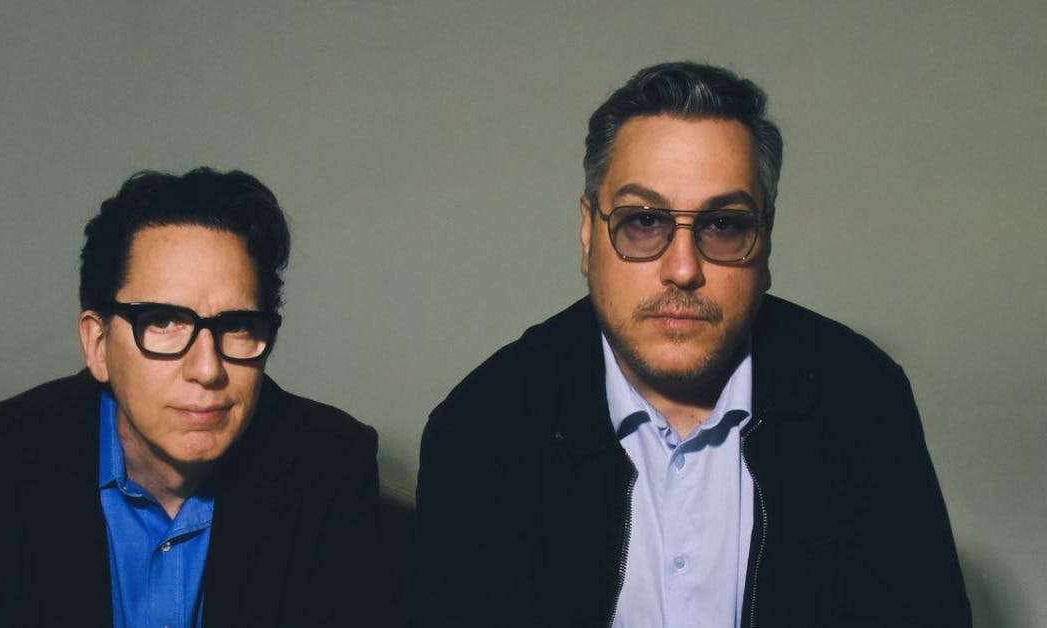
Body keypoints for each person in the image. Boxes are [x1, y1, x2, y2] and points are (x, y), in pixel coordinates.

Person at [416, 62, 971, 627]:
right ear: (588, 233)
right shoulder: (483, 425)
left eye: (723, 225)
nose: (682, 269)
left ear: (765, 239)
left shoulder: (862, 398)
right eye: (644, 221)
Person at [0, 167, 403, 627]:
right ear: (98, 344)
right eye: (162, 322)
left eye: (237, 326)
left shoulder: (330, 463)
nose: (207, 369)